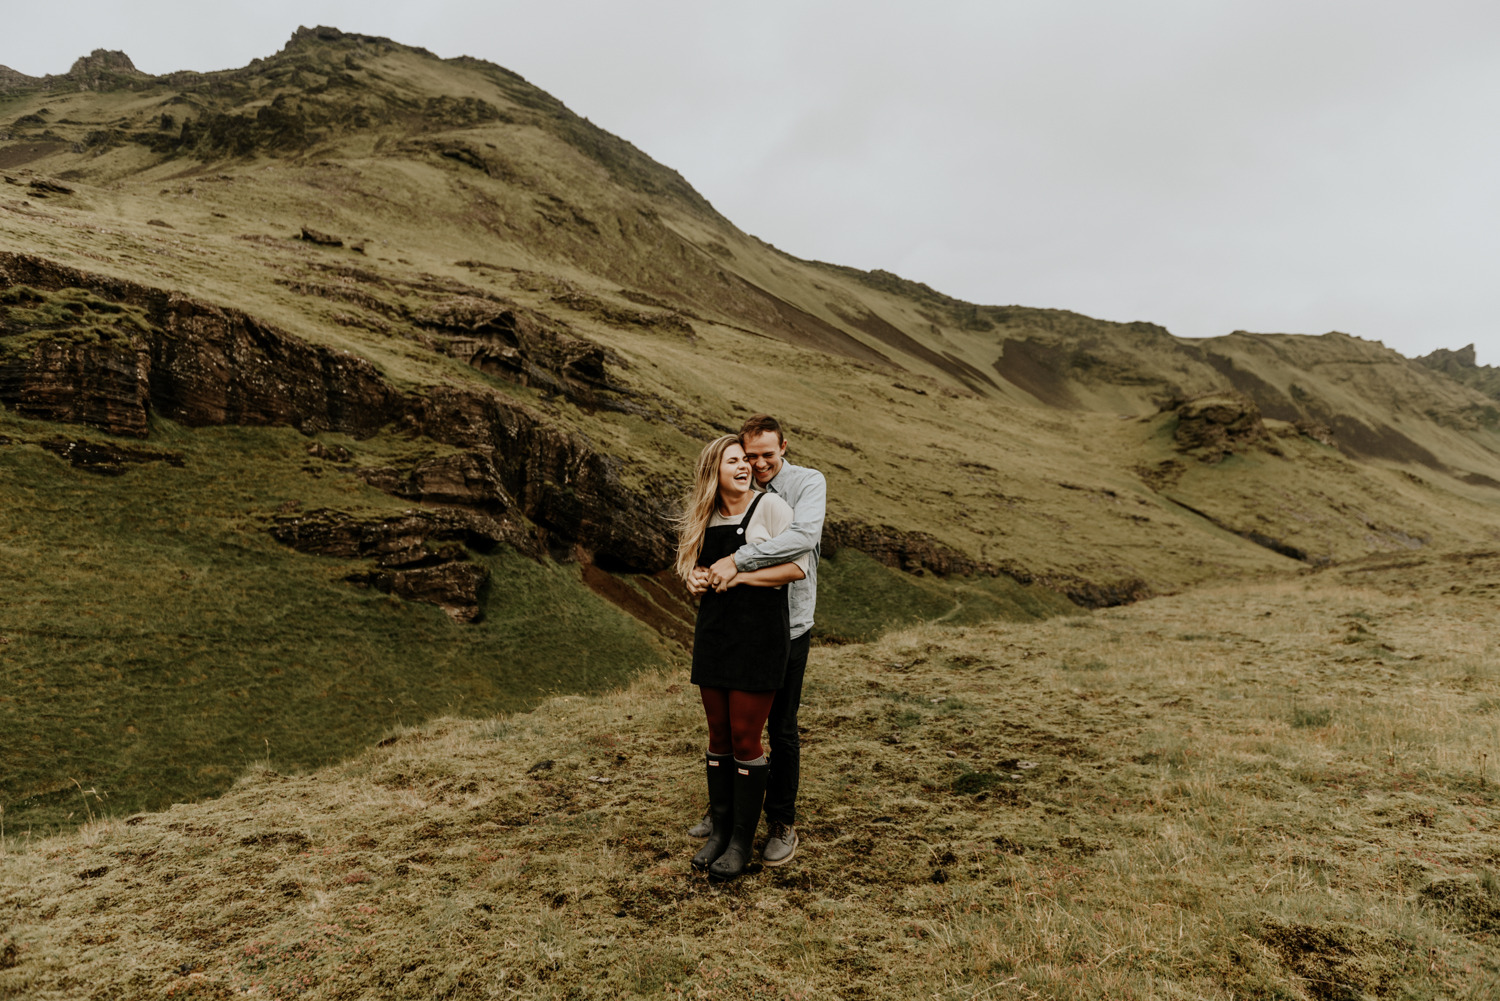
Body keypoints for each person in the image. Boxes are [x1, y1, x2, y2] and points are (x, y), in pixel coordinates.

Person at [688, 414, 825, 868]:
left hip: (787, 625)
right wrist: (696, 576)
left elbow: (802, 547)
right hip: (724, 635)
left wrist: (738, 566)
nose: (756, 463)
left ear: (784, 447)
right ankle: (724, 821)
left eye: (766, 455)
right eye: (747, 456)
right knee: (723, 732)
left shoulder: (798, 489)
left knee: (779, 728)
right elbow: (694, 558)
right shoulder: (710, 510)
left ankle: (778, 823)